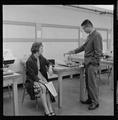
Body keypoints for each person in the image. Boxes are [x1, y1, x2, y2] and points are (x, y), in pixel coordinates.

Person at [67, 19, 103, 110]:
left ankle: (95, 102)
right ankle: (90, 99)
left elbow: (98, 52)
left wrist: (92, 63)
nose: (83, 31)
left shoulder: (97, 35)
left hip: (92, 64)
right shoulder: (90, 36)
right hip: (87, 64)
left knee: (92, 84)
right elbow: (84, 47)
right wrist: (74, 51)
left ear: (88, 26)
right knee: (88, 84)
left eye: (84, 29)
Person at [25, 42, 56, 116]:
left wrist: (50, 67)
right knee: (43, 88)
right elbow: (32, 76)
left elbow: (49, 63)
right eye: (41, 48)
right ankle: (46, 110)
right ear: (36, 49)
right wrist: (41, 81)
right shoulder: (29, 61)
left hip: (41, 77)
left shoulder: (40, 57)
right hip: (32, 80)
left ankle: (50, 108)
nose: (43, 50)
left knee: (47, 87)